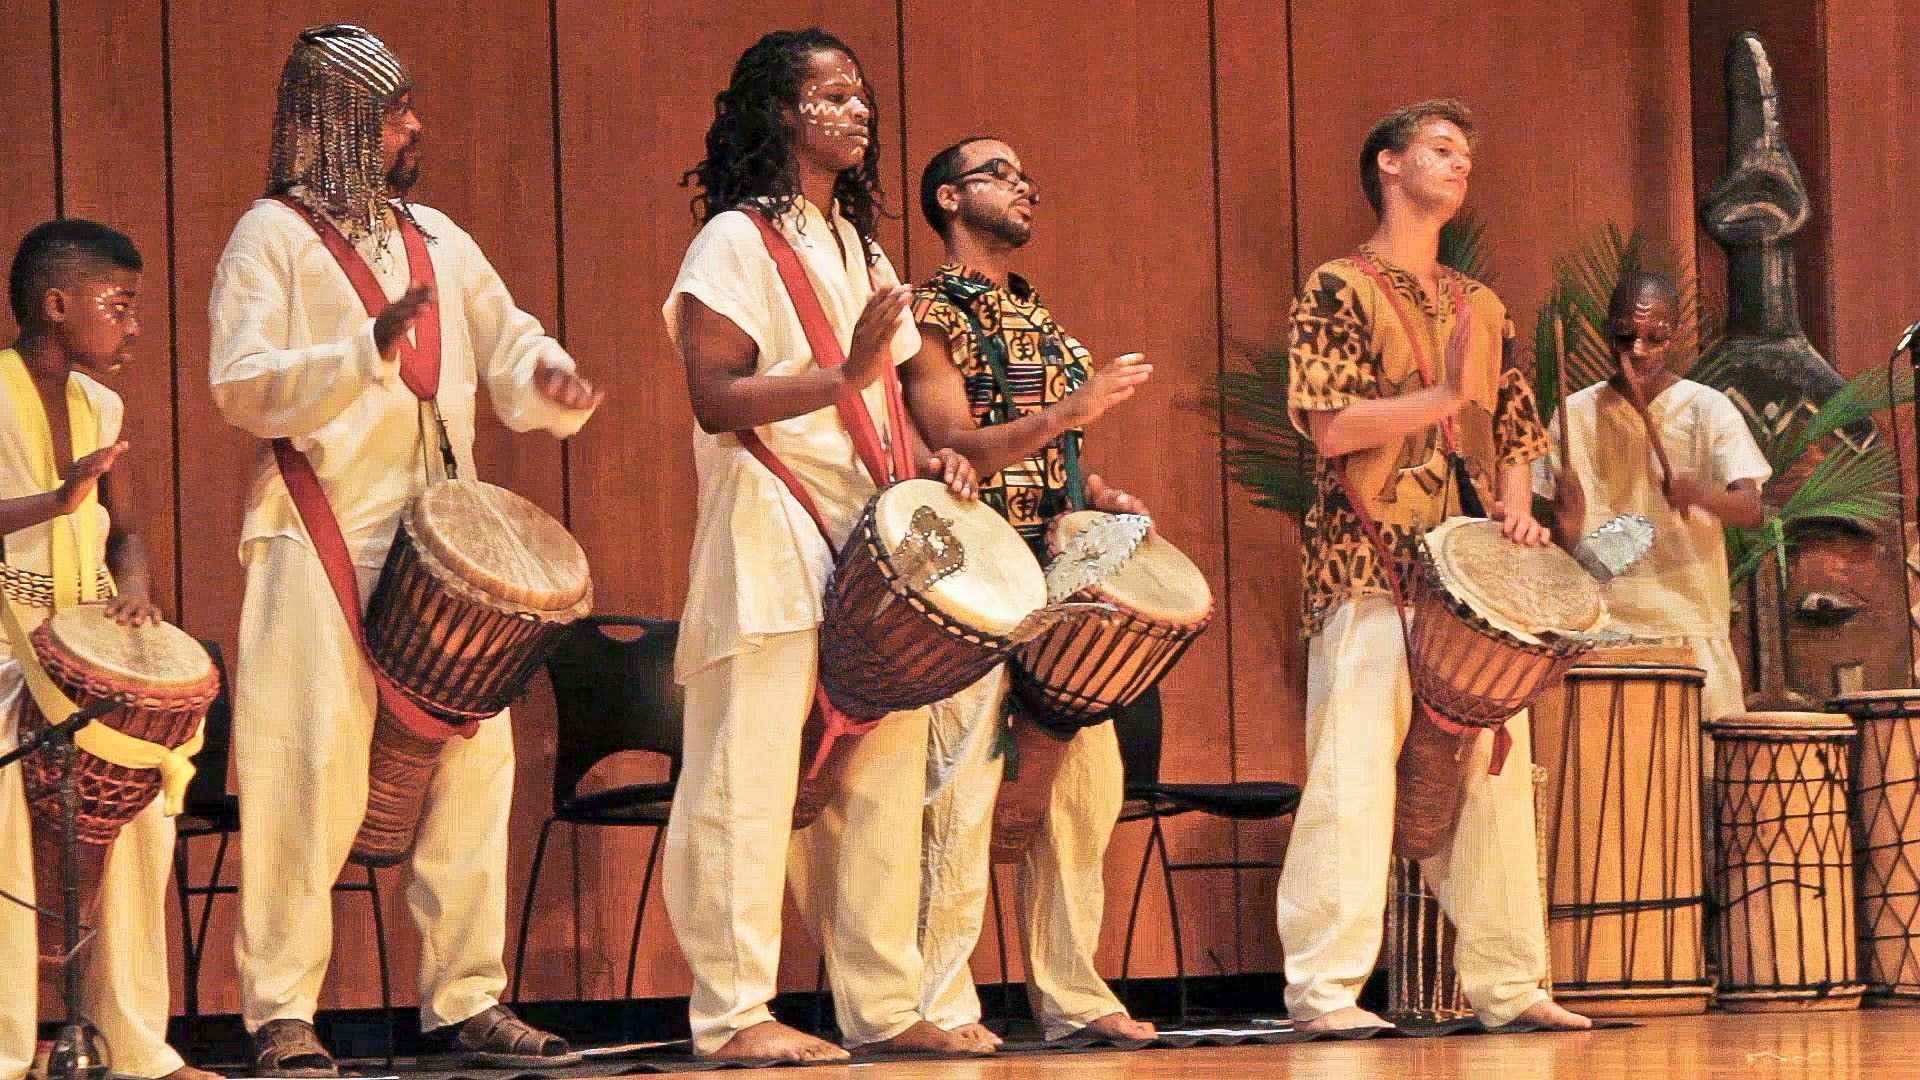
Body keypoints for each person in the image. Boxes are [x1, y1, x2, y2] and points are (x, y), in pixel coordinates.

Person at [208, 24, 600, 1076]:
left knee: (477, 770)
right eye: (393, 112)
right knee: (306, 774)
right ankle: (282, 1012)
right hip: (319, 530)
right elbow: (240, 383)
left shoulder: (438, 235)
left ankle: (465, 1000)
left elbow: (510, 342)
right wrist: (358, 351)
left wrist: (553, 382)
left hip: (441, 541)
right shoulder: (271, 237)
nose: (415, 126)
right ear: (340, 124)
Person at [662, 27, 981, 1064]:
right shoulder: (733, 243)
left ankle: (883, 1006)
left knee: (879, 783)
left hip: (862, 536)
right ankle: (733, 1015)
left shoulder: (864, 247)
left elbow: (901, 392)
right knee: (745, 782)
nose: (857, 111)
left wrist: (947, 458)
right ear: (779, 114)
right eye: (830, 96)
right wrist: (840, 376)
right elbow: (714, 397)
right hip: (769, 530)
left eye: (860, 96)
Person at [1274, 98, 1591, 1033]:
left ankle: (1508, 983)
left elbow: (1518, 423)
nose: (1460, 167)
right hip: (1367, 562)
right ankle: (1326, 991)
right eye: (1441, 151)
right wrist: (1445, 394)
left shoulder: (1478, 304)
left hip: (1471, 584)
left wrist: (1515, 503)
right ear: (1387, 165)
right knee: (1353, 776)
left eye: (1467, 154)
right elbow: (1330, 425)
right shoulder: (1337, 287)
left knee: (1495, 780)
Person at [901, 136, 1156, 1044]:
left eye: (1025, 175)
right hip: (973, 566)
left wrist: (1097, 495)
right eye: (999, 174)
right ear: (945, 198)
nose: (1024, 186)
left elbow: (1055, 447)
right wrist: (1071, 413)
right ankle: (938, 999)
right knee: (961, 781)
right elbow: (955, 443)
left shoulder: (1039, 318)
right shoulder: (929, 309)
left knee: (1085, 786)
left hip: (1057, 564)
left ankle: (1074, 998)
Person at [0, 219, 215, 1080]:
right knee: (5, 825)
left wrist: (135, 592)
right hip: (4, 652)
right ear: (57, 305)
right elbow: (64, 506)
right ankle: (9, 1049)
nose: (131, 326)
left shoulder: (104, 405)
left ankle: (134, 1048)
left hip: (80, 652)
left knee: (141, 818)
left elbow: (127, 532)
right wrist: (56, 500)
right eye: (116, 305)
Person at [1536, 272, 1767, 723]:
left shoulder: (1707, 408)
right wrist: (1564, 527)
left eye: (1653, 338)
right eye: (1625, 337)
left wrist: (1699, 492)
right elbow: (1551, 542)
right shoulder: (1573, 414)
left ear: (1674, 336)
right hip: (1599, 627)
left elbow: (1752, 509)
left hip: (1687, 621)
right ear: (1607, 332)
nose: (1637, 351)